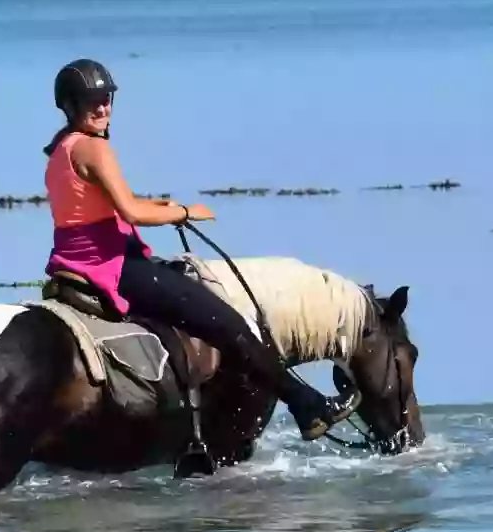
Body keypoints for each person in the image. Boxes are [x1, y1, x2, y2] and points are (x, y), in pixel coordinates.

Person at [40, 59, 355, 440]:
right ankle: (306, 404)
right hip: (112, 265)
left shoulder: (61, 150)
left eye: (106, 99)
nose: (103, 108)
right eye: (93, 101)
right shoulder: (94, 148)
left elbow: (102, 206)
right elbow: (129, 212)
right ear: (71, 106)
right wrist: (185, 213)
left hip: (74, 260)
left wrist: (160, 205)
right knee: (230, 325)